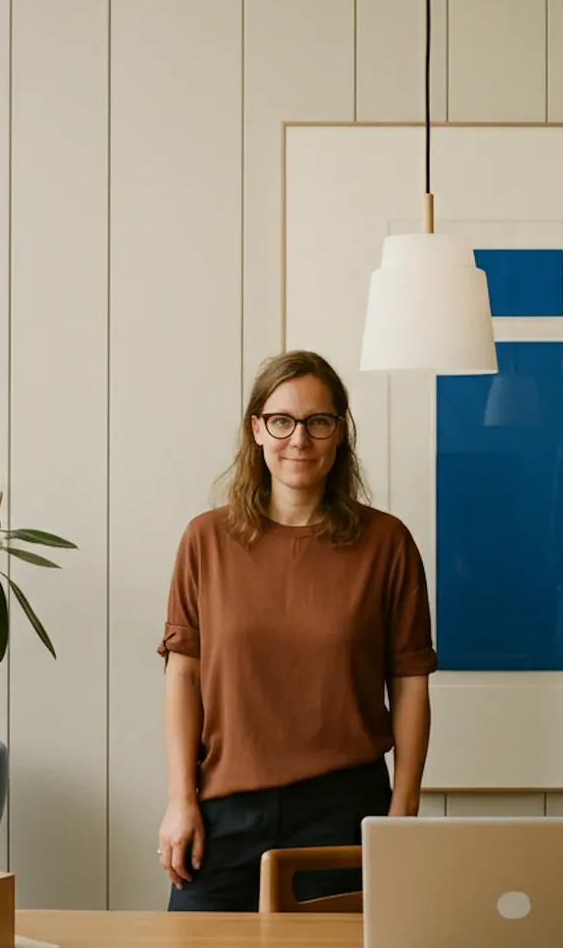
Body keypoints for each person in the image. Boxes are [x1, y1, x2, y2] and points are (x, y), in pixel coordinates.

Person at [156, 349, 436, 911]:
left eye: (318, 422)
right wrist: (180, 800)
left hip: (345, 809)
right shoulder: (205, 541)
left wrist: (403, 810)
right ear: (257, 430)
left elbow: (410, 684)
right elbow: (182, 679)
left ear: (340, 433)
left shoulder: (387, 544)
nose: (299, 440)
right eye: (282, 421)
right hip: (223, 810)